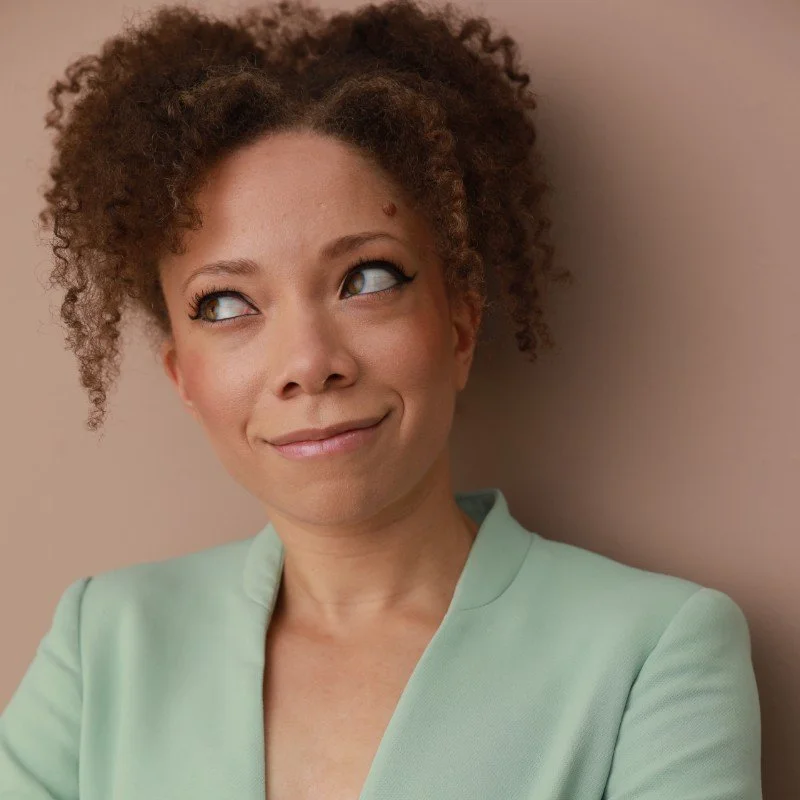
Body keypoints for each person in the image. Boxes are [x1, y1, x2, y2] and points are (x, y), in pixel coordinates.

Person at [0, 0, 761, 798]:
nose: (308, 363)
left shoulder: (654, 650)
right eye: (225, 304)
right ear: (182, 377)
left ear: (460, 327)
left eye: (366, 279)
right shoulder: (103, 641)